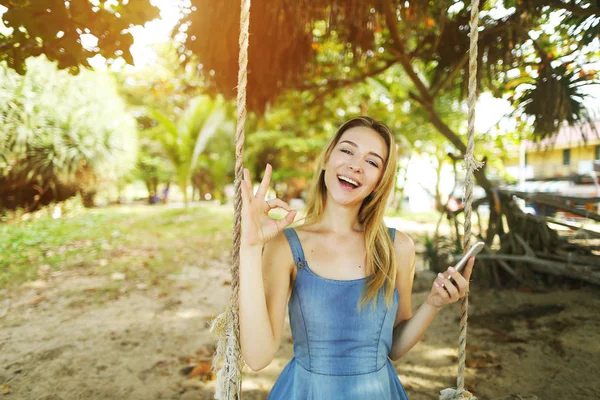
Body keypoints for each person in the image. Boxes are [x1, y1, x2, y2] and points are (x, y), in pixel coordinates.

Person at [239, 117, 475, 399]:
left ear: (379, 182)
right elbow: (257, 356)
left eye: (372, 162)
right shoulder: (285, 246)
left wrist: (434, 304)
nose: (355, 166)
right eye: (347, 151)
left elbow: (395, 347)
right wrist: (250, 247)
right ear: (327, 159)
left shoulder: (396, 247)